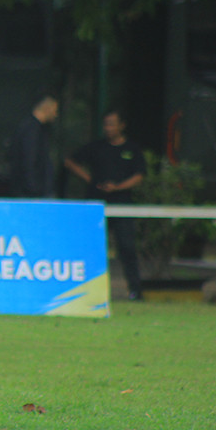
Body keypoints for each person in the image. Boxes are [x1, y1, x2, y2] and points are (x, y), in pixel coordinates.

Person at [64, 109, 146, 300]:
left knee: (127, 248)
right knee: (91, 247)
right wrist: (90, 180)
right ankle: (86, 291)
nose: (108, 128)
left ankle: (135, 290)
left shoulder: (132, 149)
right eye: (106, 124)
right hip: (96, 206)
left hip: (122, 206)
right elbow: (70, 161)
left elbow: (139, 176)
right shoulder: (96, 147)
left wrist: (117, 187)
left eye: (112, 124)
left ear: (122, 125)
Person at [7, 94, 59, 198]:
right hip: (32, 191)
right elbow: (29, 159)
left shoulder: (31, 128)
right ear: (46, 109)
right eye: (54, 110)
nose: (55, 114)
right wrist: (33, 188)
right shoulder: (32, 130)